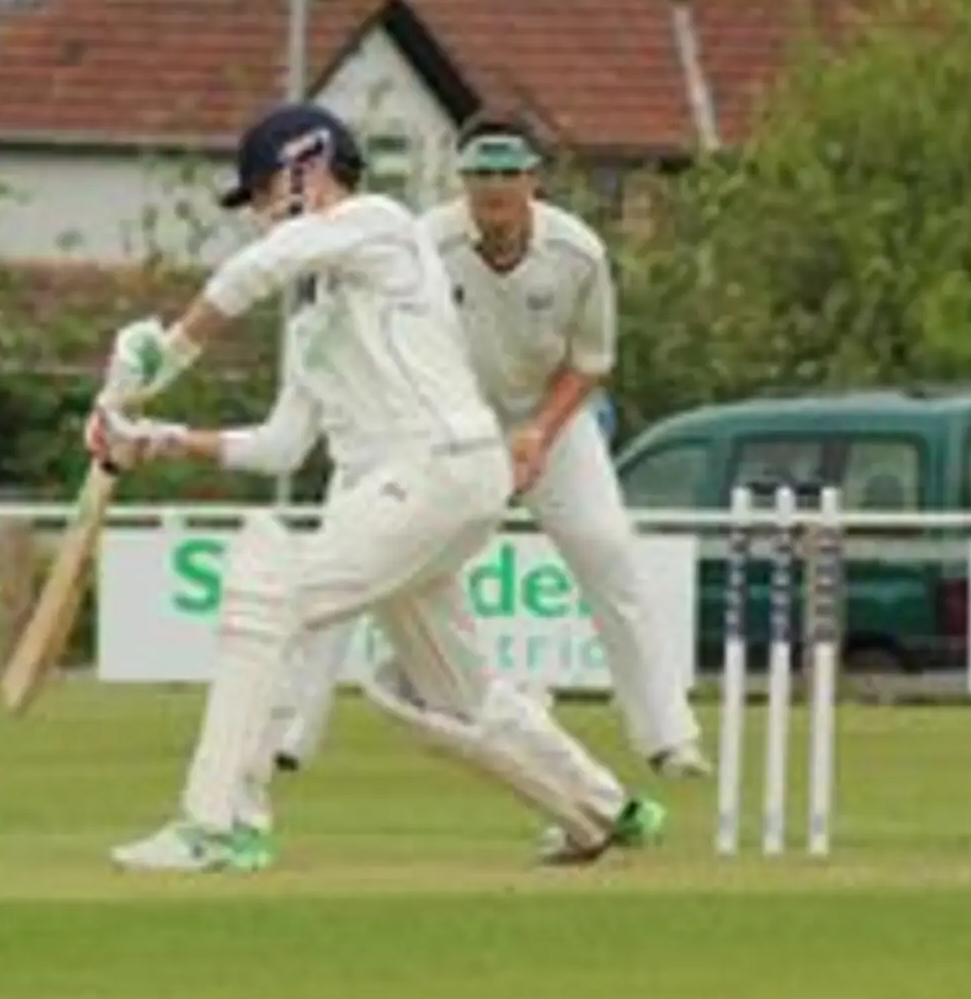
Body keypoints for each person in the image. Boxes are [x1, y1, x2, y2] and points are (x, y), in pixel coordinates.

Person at [86, 101, 663, 873]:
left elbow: (257, 269)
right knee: (458, 693)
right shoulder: (318, 318)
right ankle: (601, 812)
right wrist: (151, 439)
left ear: (304, 170)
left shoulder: (382, 223)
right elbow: (283, 445)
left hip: (435, 469)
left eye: (260, 193)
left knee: (269, 598)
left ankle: (219, 824)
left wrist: (163, 357)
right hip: (410, 498)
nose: (257, 215)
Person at [267, 111, 710, 783]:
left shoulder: (578, 253)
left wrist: (538, 433)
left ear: (534, 178)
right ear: (462, 178)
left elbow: (590, 361)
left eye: (508, 174)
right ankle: (287, 732)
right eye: (480, 175)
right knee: (345, 546)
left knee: (608, 551)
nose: (494, 190)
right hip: (435, 423)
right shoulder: (425, 244)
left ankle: (668, 736)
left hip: (547, 416)